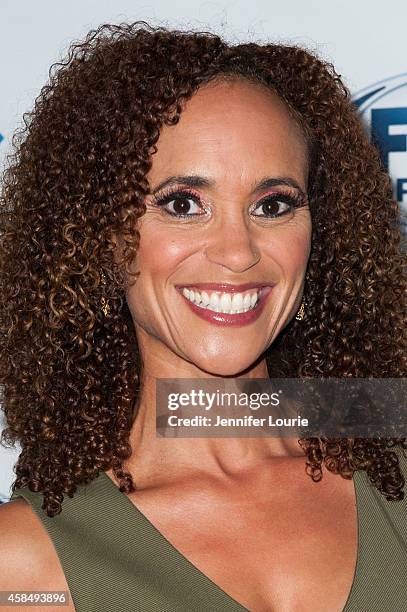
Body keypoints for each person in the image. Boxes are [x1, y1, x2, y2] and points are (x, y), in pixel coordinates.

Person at [0, 21, 406, 612]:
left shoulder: (389, 451)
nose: (238, 252)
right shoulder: (25, 564)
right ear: (100, 235)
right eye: (183, 204)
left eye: (274, 205)